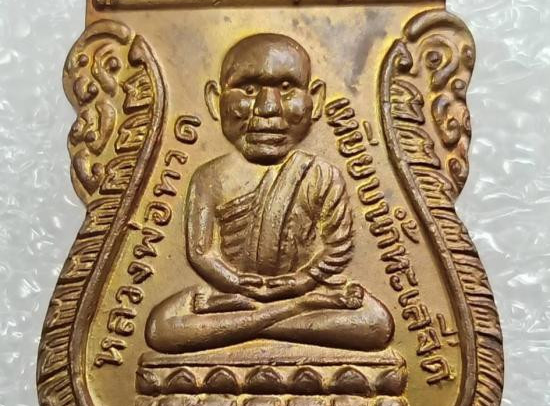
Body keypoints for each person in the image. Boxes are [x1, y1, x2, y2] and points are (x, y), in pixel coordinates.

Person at [146, 33, 394, 354]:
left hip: (301, 292)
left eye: (287, 88)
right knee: (162, 326)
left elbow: (337, 246)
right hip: (232, 297)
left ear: (316, 100)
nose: (268, 108)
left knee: (375, 322)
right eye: (248, 90)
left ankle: (260, 322)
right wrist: (235, 282)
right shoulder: (208, 178)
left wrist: (302, 282)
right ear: (214, 100)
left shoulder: (320, 174)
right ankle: (288, 315)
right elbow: (201, 252)